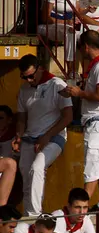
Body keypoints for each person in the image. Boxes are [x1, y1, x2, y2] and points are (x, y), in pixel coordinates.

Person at [62, 30, 99, 216]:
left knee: (92, 168)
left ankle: (80, 212)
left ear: (86, 46)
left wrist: (80, 93)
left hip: (98, 122)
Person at [16, 54, 66, 216]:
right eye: (25, 77)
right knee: (26, 177)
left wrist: (47, 136)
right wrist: (18, 136)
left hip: (54, 138)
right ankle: (28, 215)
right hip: (29, 138)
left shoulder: (57, 85)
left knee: (37, 168)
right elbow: (22, 118)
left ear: (40, 68)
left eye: (31, 76)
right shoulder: (24, 89)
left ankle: (34, 215)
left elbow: (68, 116)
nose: (29, 80)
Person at [37, 0, 84, 75]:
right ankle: (71, 71)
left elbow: (77, 11)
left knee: (92, 32)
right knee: (71, 33)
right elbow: (45, 17)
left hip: (68, 24)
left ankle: (89, 71)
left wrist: (88, 10)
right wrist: (66, 22)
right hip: (49, 25)